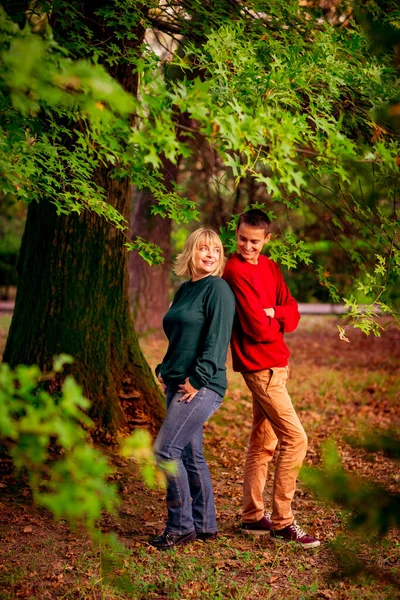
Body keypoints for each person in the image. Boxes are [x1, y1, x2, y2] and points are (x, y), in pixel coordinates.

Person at [223, 209, 320, 549]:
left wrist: (275, 313)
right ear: (236, 234)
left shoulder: (270, 267)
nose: (247, 247)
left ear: (267, 240)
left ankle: (252, 517)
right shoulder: (234, 270)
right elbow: (255, 328)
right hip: (259, 367)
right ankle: (283, 521)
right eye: (242, 239)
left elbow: (291, 312)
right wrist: (273, 318)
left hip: (278, 363)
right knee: (296, 439)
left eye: (254, 242)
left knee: (263, 443)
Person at [151, 228, 235, 550]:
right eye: (203, 249)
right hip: (176, 381)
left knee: (165, 451)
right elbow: (179, 337)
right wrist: (164, 368)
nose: (211, 255)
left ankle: (180, 526)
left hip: (201, 385)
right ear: (191, 253)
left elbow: (216, 342)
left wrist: (197, 380)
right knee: (189, 454)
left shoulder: (218, 290)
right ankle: (204, 525)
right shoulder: (185, 289)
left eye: (216, 250)